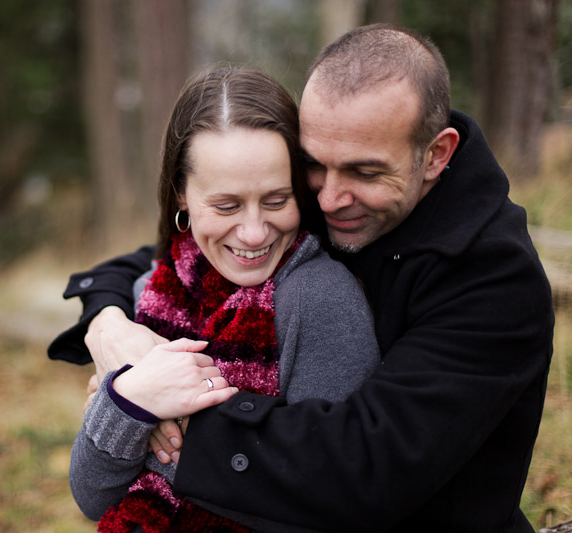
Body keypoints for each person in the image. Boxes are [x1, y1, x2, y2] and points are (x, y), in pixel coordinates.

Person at [51, 24, 555, 532]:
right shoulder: (312, 209)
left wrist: (163, 408)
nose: (329, 198)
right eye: (313, 165)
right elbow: (159, 260)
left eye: (365, 171)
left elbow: (364, 471)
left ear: (435, 155)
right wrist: (110, 325)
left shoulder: (495, 283)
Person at [68, 66, 380, 532]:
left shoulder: (318, 298)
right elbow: (93, 494)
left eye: (276, 200)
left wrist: (165, 419)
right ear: (182, 195)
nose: (254, 232)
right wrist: (129, 402)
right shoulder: (153, 295)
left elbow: (335, 494)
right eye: (227, 206)